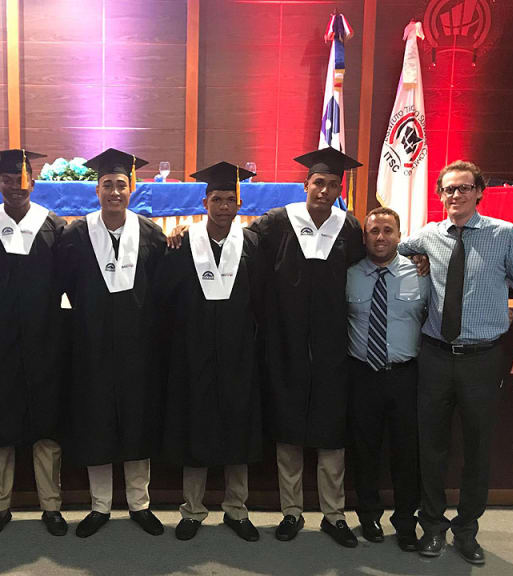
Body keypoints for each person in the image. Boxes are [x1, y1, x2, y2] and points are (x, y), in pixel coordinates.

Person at [167, 147, 366, 547]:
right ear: (305, 184)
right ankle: (200, 509)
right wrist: (178, 233)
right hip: (270, 347)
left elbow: (368, 263)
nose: (323, 190)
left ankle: (317, 514)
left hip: (320, 348)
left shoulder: (350, 229)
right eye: (317, 183)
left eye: (330, 184)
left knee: (325, 434)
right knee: (225, 428)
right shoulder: (276, 224)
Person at [397, 160, 513, 565]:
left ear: (480, 192)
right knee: (431, 448)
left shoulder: (505, 234)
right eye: (448, 190)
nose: (455, 195)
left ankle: (467, 530)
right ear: (440, 195)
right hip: (435, 358)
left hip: (482, 360)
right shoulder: (427, 235)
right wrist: (414, 262)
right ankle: (432, 527)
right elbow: (392, 252)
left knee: (478, 449)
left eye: (463, 188)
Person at [55, 147, 167, 538]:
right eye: (107, 185)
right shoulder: (75, 234)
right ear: (96, 189)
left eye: (121, 184)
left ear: (132, 187)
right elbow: (62, 289)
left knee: (139, 423)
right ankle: (100, 505)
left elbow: (162, 292)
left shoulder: (151, 234)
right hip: (92, 348)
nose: (114, 191)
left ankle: (140, 503)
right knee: (95, 424)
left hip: (139, 350)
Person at [156, 162, 264, 542]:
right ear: (204, 201)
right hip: (193, 353)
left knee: (240, 429)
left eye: (229, 199)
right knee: (194, 427)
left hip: (239, 354)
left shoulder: (252, 244)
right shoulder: (183, 242)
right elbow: (165, 298)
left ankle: (237, 509)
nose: (222, 206)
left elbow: (262, 300)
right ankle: (193, 509)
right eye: (216, 198)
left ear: (239, 203)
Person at [0, 148, 68, 537]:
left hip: (45, 342)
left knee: (46, 427)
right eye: (8, 180)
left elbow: (67, 285)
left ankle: (51, 507)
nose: (16, 187)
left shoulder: (53, 227)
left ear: (34, 184)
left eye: (22, 180)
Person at [346, 206, 429, 552]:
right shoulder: (347, 274)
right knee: (364, 451)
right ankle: (368, 516)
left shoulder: (422, 273)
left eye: (387, 231)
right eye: (373, 231)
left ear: (400, 235)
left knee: (406, 453)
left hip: (404, 376)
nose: (380, 237)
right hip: (361, 376)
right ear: (364, 237)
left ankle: (406, 521)